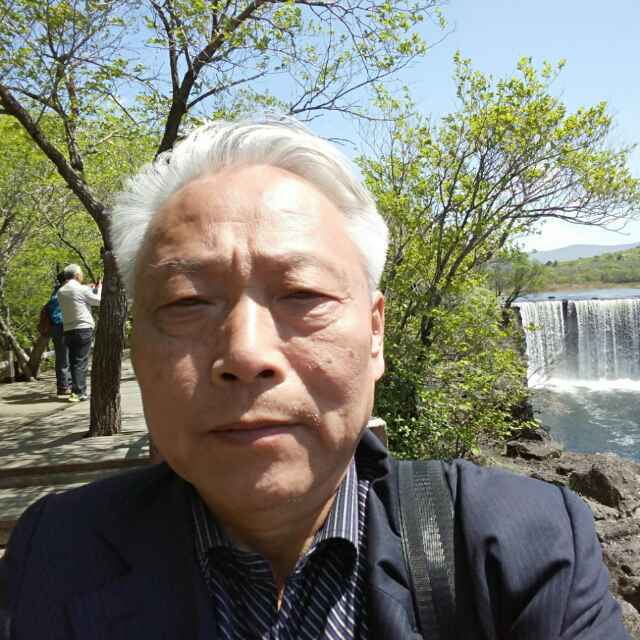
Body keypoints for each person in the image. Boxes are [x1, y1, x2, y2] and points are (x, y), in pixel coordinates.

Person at [1, 119, 629, 639]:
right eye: (187, 301)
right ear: (136, 346)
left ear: (375, 333)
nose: (246, 353)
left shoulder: (518, 548)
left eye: (302, 293)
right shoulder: (53, 555)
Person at [56, 263, 101, 402]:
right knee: (80, 362)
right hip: (83, 329)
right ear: (76, 275)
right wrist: (99, 288)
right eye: (81, 274)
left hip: (68, 330)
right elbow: (98, 301)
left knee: (74, 362)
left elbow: (77, 296)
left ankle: (76, 391)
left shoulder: (61, 291)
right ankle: (78, 392)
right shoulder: (81, 289)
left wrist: (88, 288)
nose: (82, 276)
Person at [47, 271, 72, 399]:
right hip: (61, 327)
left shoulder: (59, 291)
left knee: (66, 358)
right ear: (66, 280)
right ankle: (63, 387)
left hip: (62, 327)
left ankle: (67, 385)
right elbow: (56, 315)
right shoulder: (60, 293)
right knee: (63, 359)